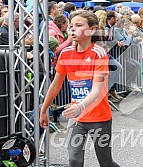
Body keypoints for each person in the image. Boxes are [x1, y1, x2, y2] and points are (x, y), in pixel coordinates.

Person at [40, 10, 120, 167]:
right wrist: (44, 110)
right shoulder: (65, 53)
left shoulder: (99, 53)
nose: (72, 29)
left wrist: (80, 105)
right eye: (70, 26)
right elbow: (56, 84)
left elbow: (97, 90)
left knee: (106, 162)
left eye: (78, 25)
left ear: (91, 29)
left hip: (99, 117)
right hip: (77, 118)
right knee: (74, 160)